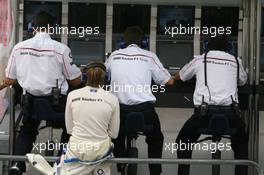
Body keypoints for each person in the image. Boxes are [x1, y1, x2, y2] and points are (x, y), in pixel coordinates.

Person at [0, 11, 82, 175]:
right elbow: (75, 81)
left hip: (29, 102)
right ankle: (61, 164)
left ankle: (18, 164)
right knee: (71, 129)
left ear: (33, 28)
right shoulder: (61, 49)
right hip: (56, 104)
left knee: (27, 131)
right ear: (52, 28)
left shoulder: (19, 47)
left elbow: (9, 78)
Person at [27, 61, 120, 175]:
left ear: (84, 77)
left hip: (77, 149)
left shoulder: (72, 95)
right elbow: (114, 134)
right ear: (105, 78)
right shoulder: (112, 99)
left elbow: (70, 129)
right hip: (100, 151)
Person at [174, 35, 248, 175]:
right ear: (229, 47)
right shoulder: (235, 61)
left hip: (204, 114)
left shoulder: (200, 59)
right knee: (242, 142)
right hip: (230, 114)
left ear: (207, 47)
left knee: (183, 140)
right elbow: (243, 81)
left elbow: (181, 76)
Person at [105, 26, 175, 175]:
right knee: (156, 137)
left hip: (119, 110)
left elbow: (103, 73)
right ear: (144, 41)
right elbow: (169, 81)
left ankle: (121, 165)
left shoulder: (114, 56)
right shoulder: (150, 56)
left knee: (115, 135)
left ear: (123, 42)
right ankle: (155, 171)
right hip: (145, 110)